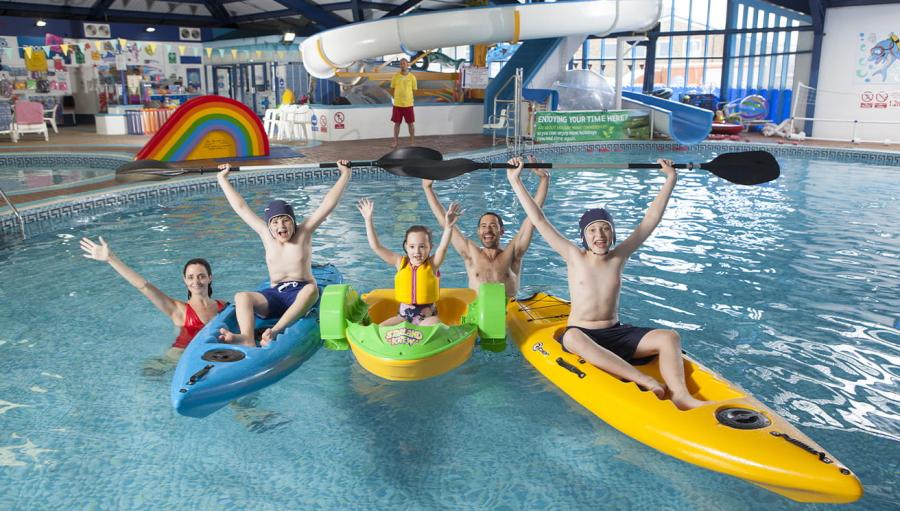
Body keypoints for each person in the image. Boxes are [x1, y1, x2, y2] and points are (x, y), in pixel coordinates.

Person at [507, 156, 710, 410]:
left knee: (669, 337)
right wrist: (515, 181)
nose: (599, 235)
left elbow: (650, 220)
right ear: (584, 236)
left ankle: (680, 394)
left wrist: (670, 179)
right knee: (572, 340)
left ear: (612, 233)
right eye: (592, 230)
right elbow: (539, 220)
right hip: (583, 333)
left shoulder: (619, 256)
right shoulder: (573, 256)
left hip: (616, 333)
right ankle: (643, 379)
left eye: (605, 229)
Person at [216, 160, 352, 346]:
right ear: (269, 226)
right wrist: (222, 179)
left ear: (293, 222)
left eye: (285, 220)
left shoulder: (304, 232)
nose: (280, 226)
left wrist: (345, 174)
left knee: (312, 290)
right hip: (275, 294)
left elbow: (328, 204)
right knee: (241, 296)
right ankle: (247, 337)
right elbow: (241, 207)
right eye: (275, 222)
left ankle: (275, 331)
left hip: (301, 292)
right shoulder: (266, 235)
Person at [421, 158, 550, 298]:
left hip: (508, 311)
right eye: (483, 226)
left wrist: (544, 179)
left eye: (493, 226)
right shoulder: (470, 253)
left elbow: (533, 218)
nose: (487, 230)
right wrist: (427, 189)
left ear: (501, 231)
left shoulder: (512, 253)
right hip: (478, 312)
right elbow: (444, 223)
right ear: (478, 231)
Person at [79, 236, 226, 358]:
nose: (196, 282)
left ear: (209, 278)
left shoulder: (224, 307)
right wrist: (111, 259)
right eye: (191, 277)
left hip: (212, 354)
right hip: (179, 357)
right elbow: (143, 286)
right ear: (185, 280)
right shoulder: (178, 310)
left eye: (201, 276)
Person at [356, 197, 460, 326]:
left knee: (437, 325)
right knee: (380, 329)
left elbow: (443, 248)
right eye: (412, 247)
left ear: (430, 248)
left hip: (427, 319)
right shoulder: (400, 263)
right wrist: (368, 220)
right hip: (403, 317)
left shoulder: (432, 265)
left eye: (422, 246)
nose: (417, 252)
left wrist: (449, 227)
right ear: (406, 247)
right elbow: (376, 247)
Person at [389, 58, 417, 148]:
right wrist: (397, 98)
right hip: (397, 104)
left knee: (411, 124)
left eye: (404, 63)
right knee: (397, 124)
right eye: (401, 64)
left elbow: (414, 90)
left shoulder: (412, 77)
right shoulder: (395, 76)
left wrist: (409, 98)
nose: (402, 65)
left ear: (407, 65)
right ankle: (395, 142)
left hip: (408, 104)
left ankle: (412, 142)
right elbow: (392, 89)